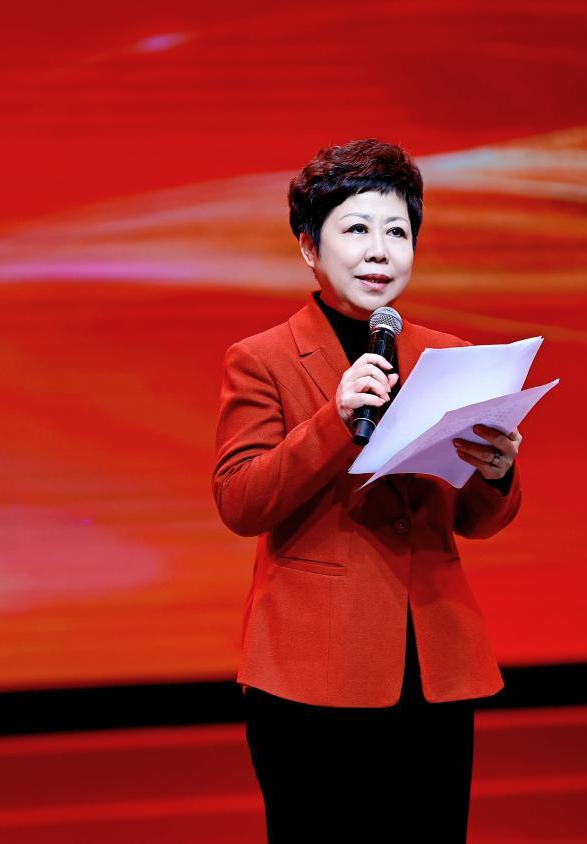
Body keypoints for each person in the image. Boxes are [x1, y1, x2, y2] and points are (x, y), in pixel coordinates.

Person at [212, 138, 524, 843]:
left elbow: (475, 521)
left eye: (397, 232)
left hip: (433, 663)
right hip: (313, 669)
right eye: (356, 229)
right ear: (309, 247)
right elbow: (240, 501)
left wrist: (497, 471)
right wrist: (334, 420)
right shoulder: (262, 360)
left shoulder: (450, 358)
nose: (379, 251)